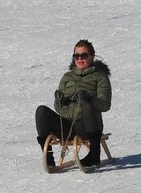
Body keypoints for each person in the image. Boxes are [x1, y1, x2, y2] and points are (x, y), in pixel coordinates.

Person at [35, 40, 112, 171]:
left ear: (92, 56)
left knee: (87, 106)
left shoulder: (100, 76)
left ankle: (94, 155)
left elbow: (105, 105)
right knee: (41, 111)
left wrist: (89, 98)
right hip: (67, 126)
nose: (80, 59)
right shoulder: (67, 77)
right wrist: (59, 101)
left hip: (87, 126)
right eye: (76, 56)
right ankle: (48, 156)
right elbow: (58, 108)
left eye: (84, 55)